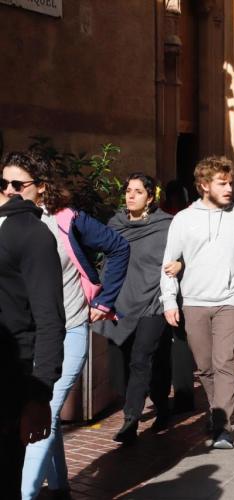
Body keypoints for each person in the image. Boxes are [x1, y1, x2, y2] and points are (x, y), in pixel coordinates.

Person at [2, 151, 130, 500]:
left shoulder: (65, 219)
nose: (10, 190)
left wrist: (103, 301)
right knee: (48, 412)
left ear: (41, 186)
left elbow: (119, 247)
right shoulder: (6, 223)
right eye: (4, 183)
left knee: (42, 408)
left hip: (68, 329)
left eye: (18, 184)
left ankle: (27, 493)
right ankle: (58, 486)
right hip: (27, 338)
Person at [160, 157, 234, 450]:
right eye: (222, 183)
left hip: (231, 300)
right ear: (204, 185)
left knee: (225, 363)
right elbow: (169, 261)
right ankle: (215, 409)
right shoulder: (183, 219)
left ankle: (222, 426)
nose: (229, 188)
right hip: (194, 301)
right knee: (205, 366)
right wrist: (169, 300)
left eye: (230, 183)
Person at [95, 173, 176, 443]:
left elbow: (185, 252)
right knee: (125, 361)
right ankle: (160, 403)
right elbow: (106, 261)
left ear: (150, 197)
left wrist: (180, 264)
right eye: (128, 190)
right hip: (122, 302)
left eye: (138, 191)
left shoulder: (166, 226)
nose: (130, 195)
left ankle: (131, 419)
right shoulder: (115, 224)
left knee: (142, 358)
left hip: (154, 301)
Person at [0, 174, 65, 500]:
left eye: (18, 182)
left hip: (8, 380)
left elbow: (49, 318)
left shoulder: (30, 233)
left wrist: (40, 396)